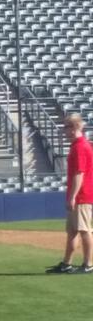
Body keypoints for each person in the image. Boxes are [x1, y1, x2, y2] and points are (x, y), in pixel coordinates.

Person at [48, 114, 93, 274]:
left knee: (84, 230)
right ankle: (67, 263)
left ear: (74, 128)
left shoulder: (80, 147)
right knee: (73, 231)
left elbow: (79, 174)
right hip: (79, 195)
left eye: (66, 127)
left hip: (82, 196)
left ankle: (88, 264)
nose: (64, 131)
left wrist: (73, 196)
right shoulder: (79, 145)